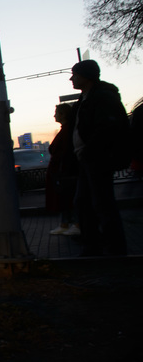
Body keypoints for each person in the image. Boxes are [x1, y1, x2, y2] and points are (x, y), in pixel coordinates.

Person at [70, 59, 129, 256]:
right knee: (84, 202)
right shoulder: (86, 98)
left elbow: (108, 127)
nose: (72, 78)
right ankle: (93, 243)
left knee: (102, 203)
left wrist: (88, 150)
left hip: (98, 159)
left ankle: (114, 247)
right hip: (88, 159)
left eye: (75, 74)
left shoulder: (102, 97)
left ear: (86, 76)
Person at [46, 103, 79, 235]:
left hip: (65, 171)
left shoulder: (68, 130)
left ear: (63, 114)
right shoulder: (66, 129)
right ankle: (66, 224)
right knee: (66, 198)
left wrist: (62, 169)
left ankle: (76, 224)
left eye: (56, 113)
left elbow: (64, 151)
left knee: (68, 197)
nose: (54, 115)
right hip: (63, 170)